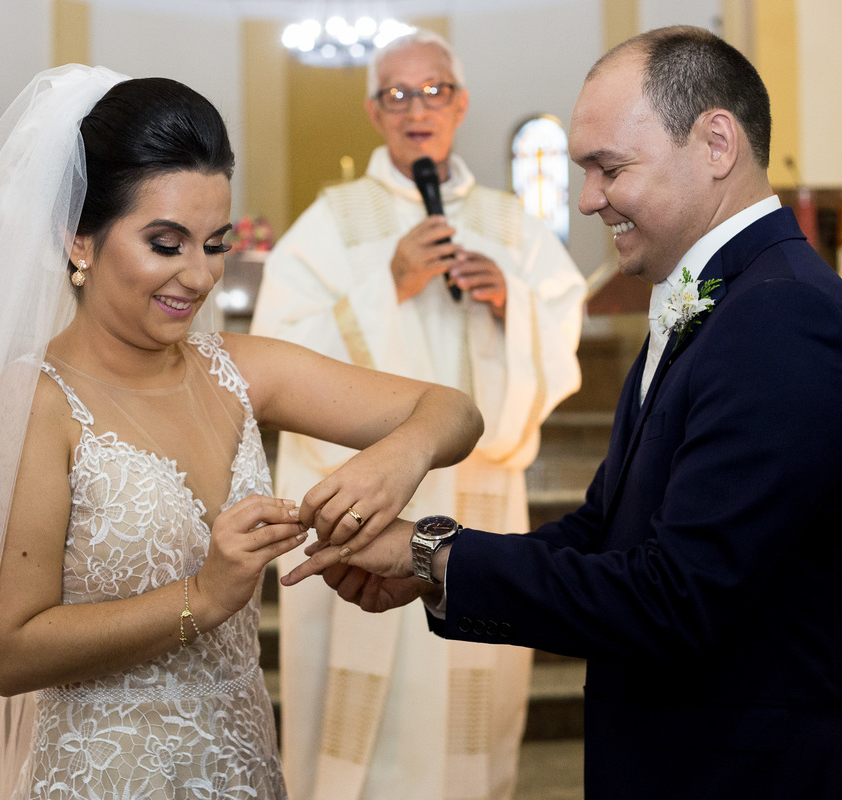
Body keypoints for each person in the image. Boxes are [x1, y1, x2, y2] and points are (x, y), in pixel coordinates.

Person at [286, 26, 842, 800]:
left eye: (609, 167)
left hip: (740, 774)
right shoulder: (723, 302)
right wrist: (427, 560)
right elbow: (605, 530)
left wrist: (434, 554)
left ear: (716, 144)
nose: (585, 199)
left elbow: (675, 598)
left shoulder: (784, 319)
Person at [0, 65, 483, 800]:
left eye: (214, 243)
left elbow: (453, 411)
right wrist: (202, 594)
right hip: (109, 778)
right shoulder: (35, 402)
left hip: (246, 768)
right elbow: (6, 652)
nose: (197, 277)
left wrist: (396, 461)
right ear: (81, 242)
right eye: (166, 244)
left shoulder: (240, 369)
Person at [249, 29, 586, 800]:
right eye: (397, 95)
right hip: (368, 508)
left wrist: (512, 305)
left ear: (461, 103)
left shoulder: (509, 225)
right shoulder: (332, 224)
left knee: (469, 721)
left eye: (433, 91)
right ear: (374, 111)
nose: (416, 110)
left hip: (479, 502)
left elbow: (561, 327)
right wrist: (387, 288)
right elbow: (273, 357)